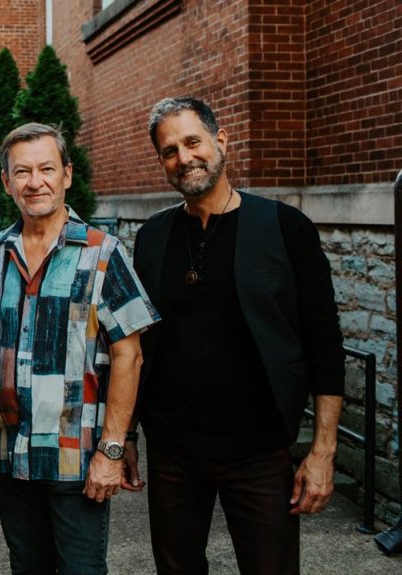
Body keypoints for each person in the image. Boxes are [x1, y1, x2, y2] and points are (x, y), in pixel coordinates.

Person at [129, 96, 345, 574]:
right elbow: (136, 345)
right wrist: (124, 436)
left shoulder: (285, 228)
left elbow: (324, 343)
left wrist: (322, 450)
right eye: (169, 151)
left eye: (192, 142)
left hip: (260, 451)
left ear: (220, 141)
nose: (183, 158)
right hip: (174, 451)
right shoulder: (152, 237)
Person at [0, 122, 161, 573]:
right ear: (6, 182)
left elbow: (130, 354)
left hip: (78, 457)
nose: (36, 182)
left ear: (67, 174)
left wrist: (111, 451)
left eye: (47, 169)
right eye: (23, 172)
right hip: (11, 454)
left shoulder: (103, 252)